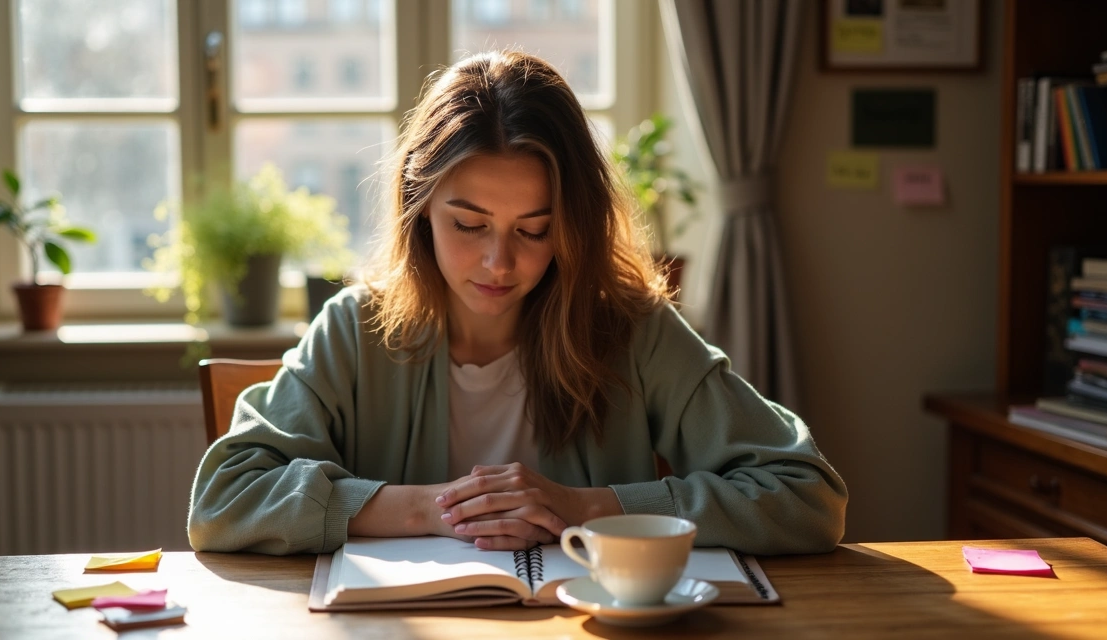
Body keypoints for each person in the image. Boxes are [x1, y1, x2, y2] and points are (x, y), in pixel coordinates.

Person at [188, 50, 847, 556]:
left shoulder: (631, 328)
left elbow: (807, 495)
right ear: (420, 214)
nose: (499, 262)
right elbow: (222, 500)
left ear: (572, 224)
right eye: (468, 225)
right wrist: (438, 509)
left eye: (534, 230)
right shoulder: (354, 330)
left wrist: (582, 508)